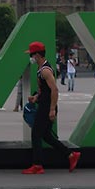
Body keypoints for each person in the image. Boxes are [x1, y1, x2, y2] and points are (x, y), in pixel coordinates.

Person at [22, 41, 81, 175]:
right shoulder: (41, 68)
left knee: (36, 134)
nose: (30, 57)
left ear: (37, 55)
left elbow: (54, 90)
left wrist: (52, 109)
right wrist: (36, 97)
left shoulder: (45, 71)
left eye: (31, 55)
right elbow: (45, 90)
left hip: (46, 107)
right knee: (46, 136)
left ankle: (37, 165)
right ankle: (71, 155)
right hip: (44, 104)